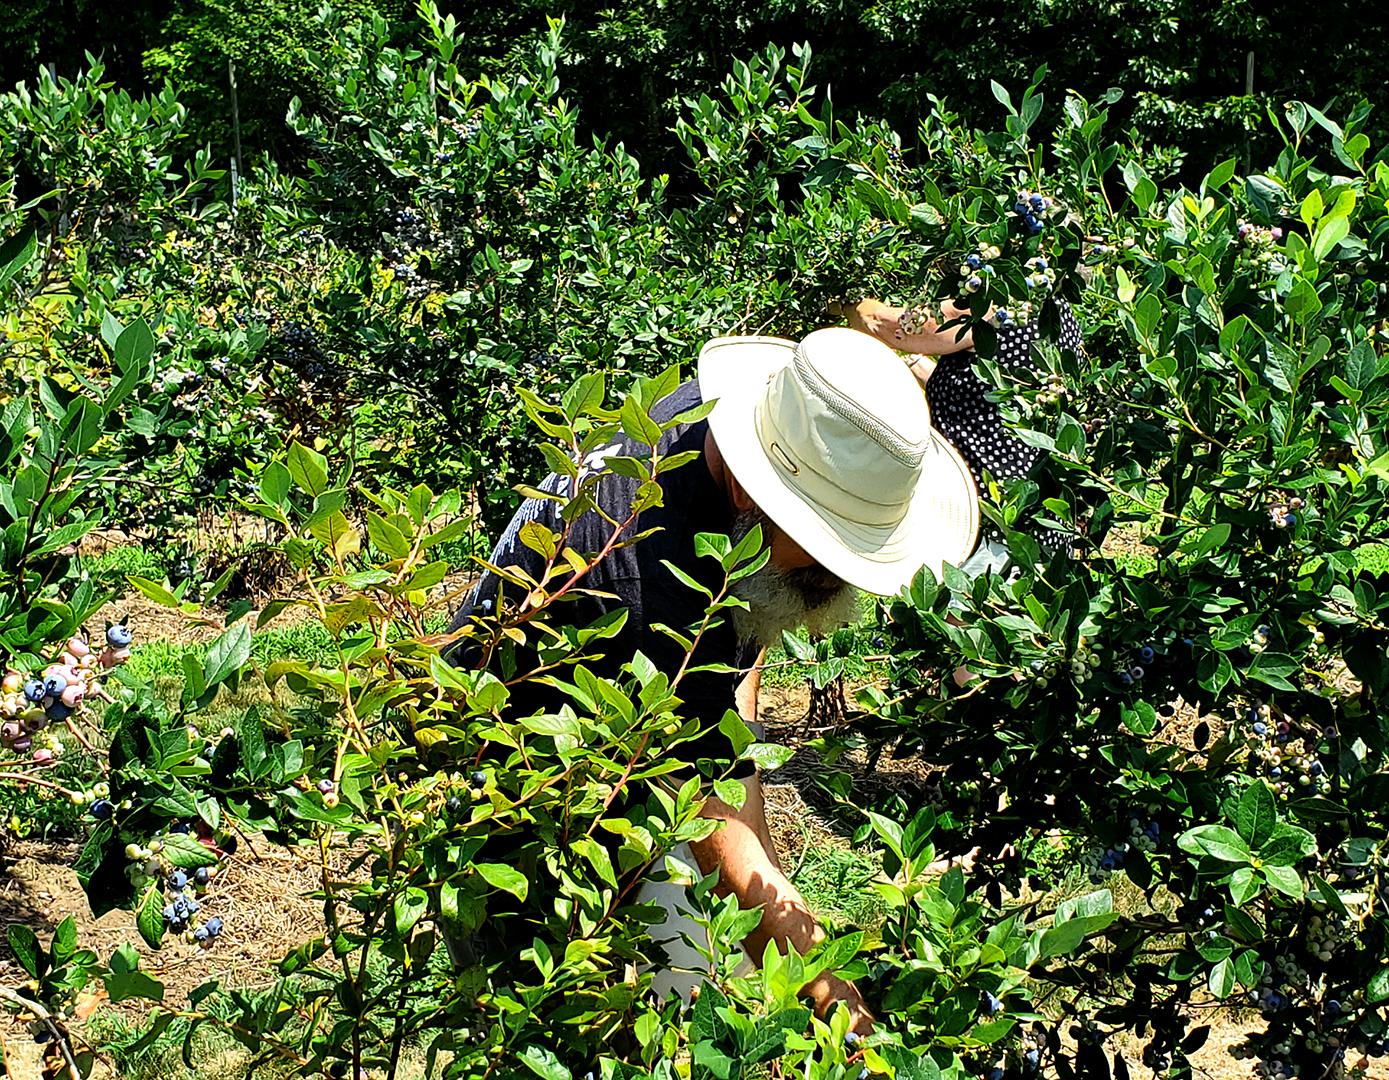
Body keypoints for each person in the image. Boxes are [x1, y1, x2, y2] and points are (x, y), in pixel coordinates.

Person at [448, 327, 979, 1033]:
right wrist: (834, 1004)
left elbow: (734, 670)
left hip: (633, 738)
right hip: (511, 785)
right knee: (545, 1018)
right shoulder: (641, 593)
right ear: (749, 494)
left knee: (688, 978)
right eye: (823, 549)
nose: (836, 574)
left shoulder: (748, 421)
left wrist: (744, 800)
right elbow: (712, 825)